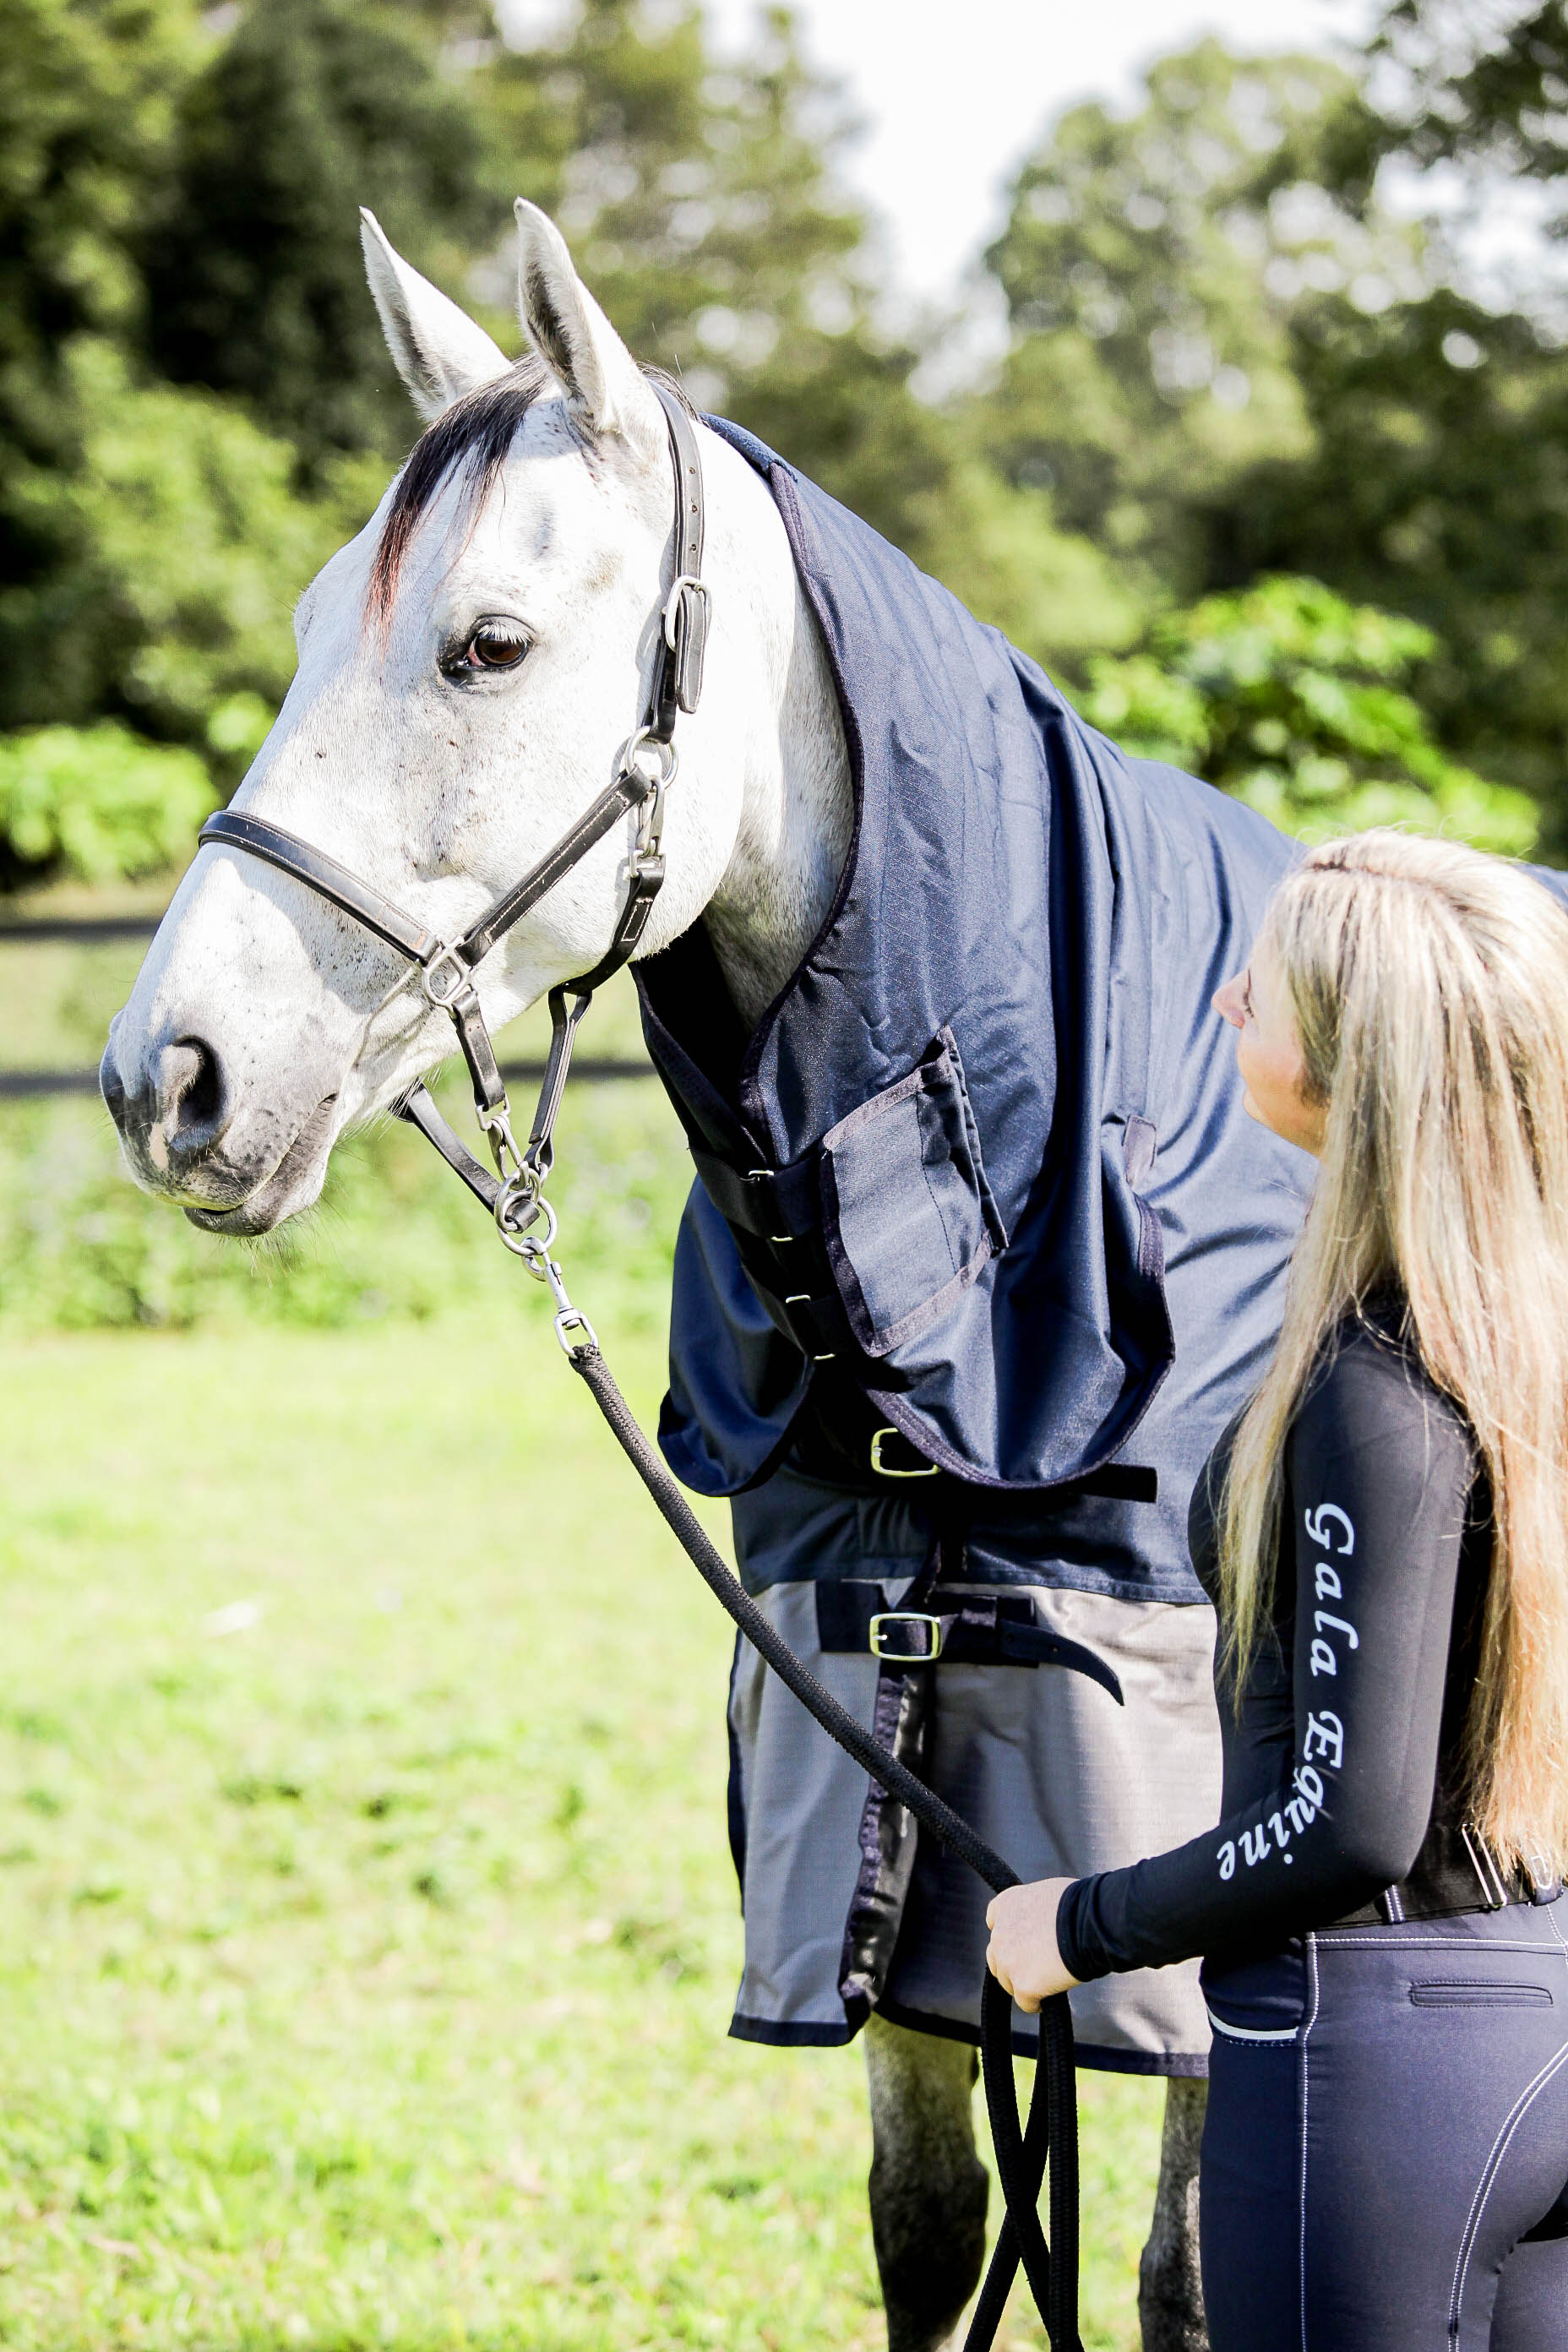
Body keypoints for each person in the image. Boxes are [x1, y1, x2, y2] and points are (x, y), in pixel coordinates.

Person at [986, 829, 1568, 2350]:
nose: (1232, 1003)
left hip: (1373, 2074)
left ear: (1356, 1066)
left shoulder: (1372, 1391)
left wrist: (1080, 1923)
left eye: (1272, 987)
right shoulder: (1528, 1362)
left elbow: (1348, 1820)